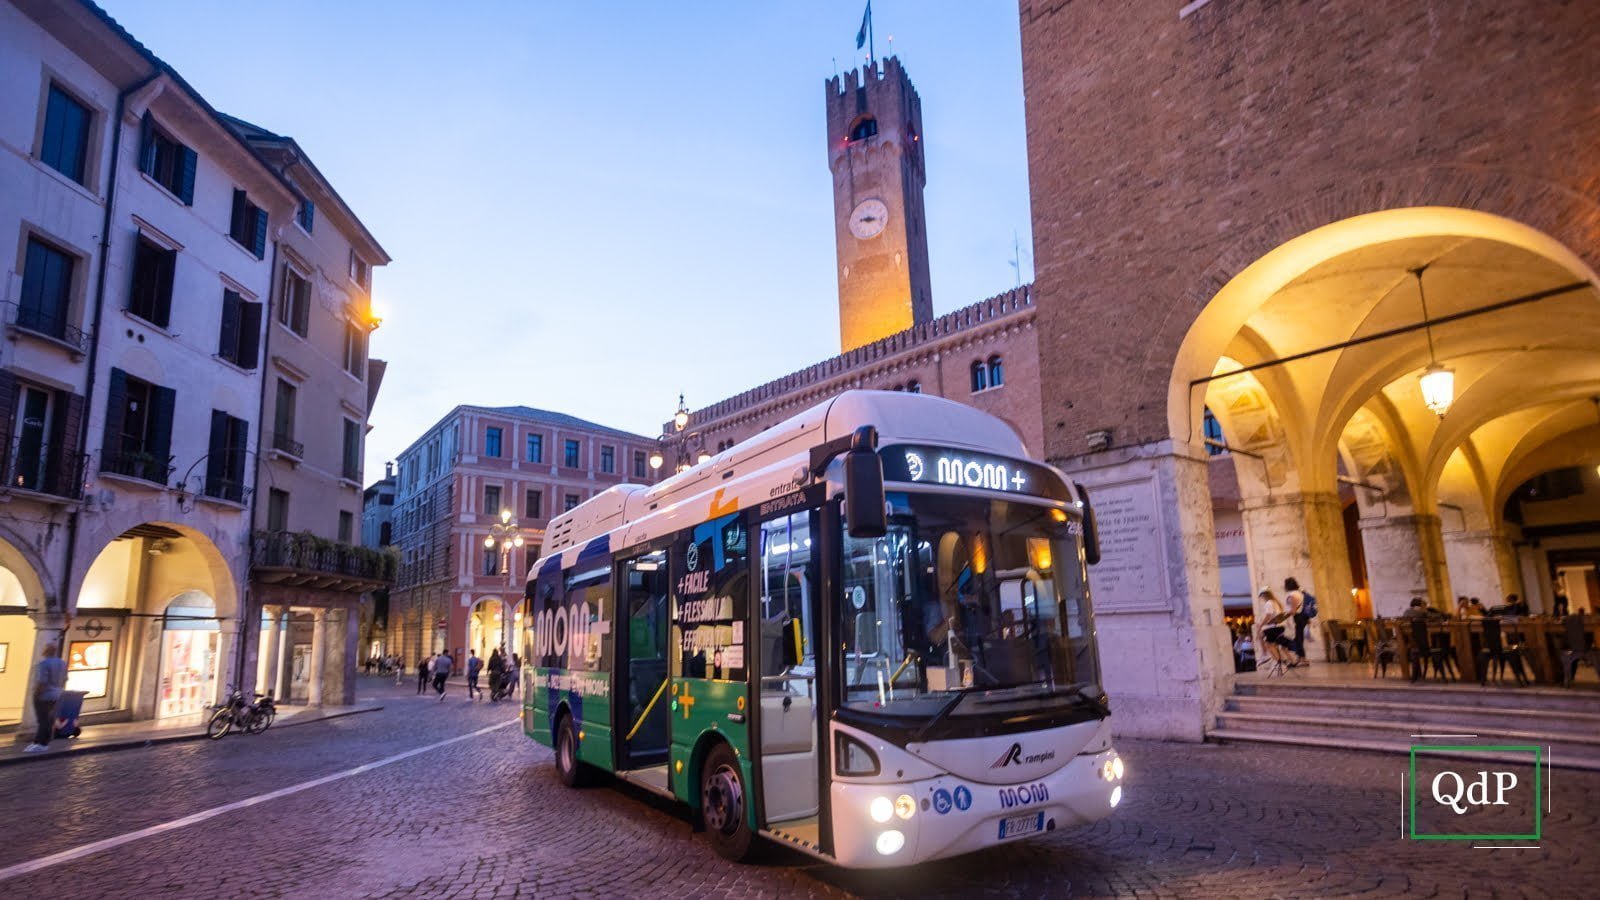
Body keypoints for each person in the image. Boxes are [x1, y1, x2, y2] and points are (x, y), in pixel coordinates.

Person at [24, 643, 67, 753]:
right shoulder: (62, 663)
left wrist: (36, 694)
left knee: (42, 719)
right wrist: (58, 689)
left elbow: (42, 681)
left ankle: (40, 743)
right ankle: (43, 742)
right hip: (57, 694)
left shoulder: (43, 663)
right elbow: (65, 679)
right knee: (49, 719)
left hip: (44, 695)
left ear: (46, 651)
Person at [1257, 588, 1297, 668]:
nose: (1261, 598)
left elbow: (1268, 616)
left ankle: (1277, 660)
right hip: (1280, 627)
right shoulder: (1276, 602)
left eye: (1261, 596)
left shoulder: (1269, 603)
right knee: (1279, 645)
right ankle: (1290, 660)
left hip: (1274, 628)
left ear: (1264, 595)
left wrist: (1260, 626)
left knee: (1267, 643)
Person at [1282, 577, 1310, 666]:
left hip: (1297, 618)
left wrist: (1283, 615)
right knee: (1299, 639)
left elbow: (1293, 611)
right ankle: (1301, 658)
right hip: (1302, 617)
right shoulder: (1300, 593)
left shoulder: (1292, 595)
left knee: (1297, 639)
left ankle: (1302, 659)